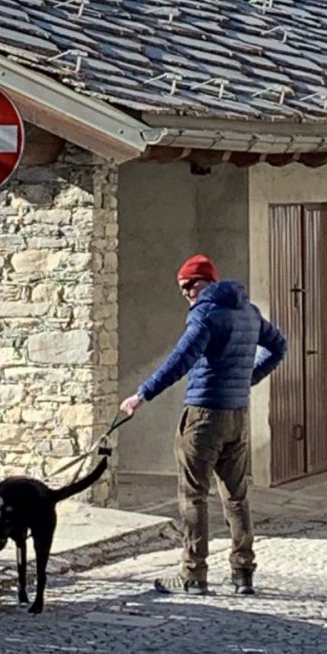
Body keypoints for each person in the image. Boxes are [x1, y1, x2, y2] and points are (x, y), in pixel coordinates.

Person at [120, 254, 287, 596]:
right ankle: (243, 574)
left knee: (193, 496)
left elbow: (180, 359)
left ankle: (193, 576)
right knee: (237, 497)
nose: (186, 294)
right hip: (237, 415)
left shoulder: (206, 314)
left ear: (205, 281)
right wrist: (246, 380)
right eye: (181, 288)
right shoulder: (249, 312)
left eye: (189, 285)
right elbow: (278, 347)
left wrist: (142, 395)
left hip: (203, 416)